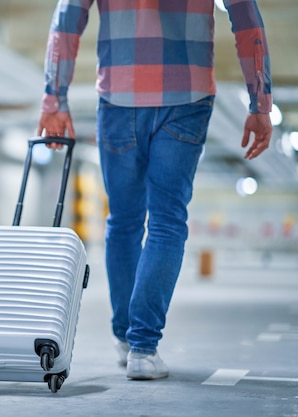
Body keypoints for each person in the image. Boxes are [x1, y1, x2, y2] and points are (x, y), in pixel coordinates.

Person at [38, 0, 273, 380]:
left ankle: (126, 340)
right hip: (187, 97)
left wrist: (54, 98)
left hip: (118, 95)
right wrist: (260, 101)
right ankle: (143, 349)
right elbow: (244, 14)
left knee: (124, 221)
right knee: (167, 221)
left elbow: (68, 18)